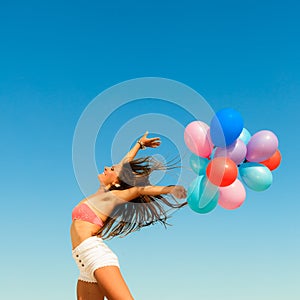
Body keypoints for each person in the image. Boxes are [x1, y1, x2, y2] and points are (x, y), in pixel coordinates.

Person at [71, 131, 187, 300]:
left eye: (110, 169)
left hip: (95, 255)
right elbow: (123, 165)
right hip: (82, 261)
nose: (105, 168)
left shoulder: (112, 197)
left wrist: (170, 189)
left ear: (116, 182)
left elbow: (139, 189)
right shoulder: (101, 193)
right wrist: (139, 144)